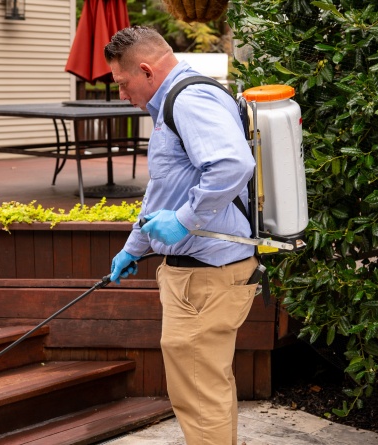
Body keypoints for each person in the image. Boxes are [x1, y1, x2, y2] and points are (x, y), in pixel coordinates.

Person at [104, 26, 259, 445]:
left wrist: (185, 221)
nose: (121, 95)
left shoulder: (187, 99)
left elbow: (231, 165)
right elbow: (164, 193)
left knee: (198, 392)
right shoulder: (177, 100)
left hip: (205, 277)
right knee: (204, 385)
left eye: (122, 84)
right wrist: (134, 246)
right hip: (202, 274)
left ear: (146, 69)